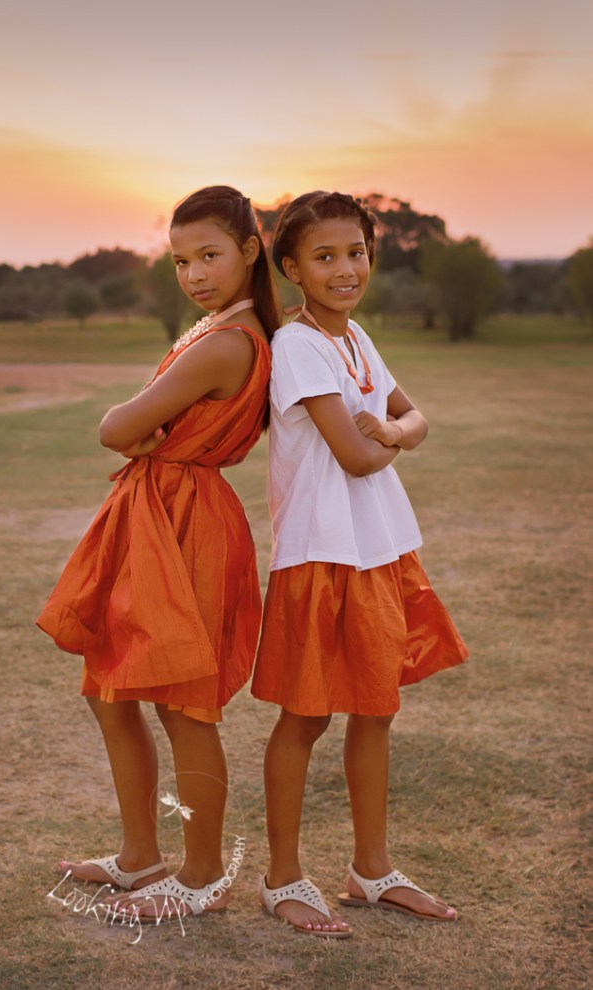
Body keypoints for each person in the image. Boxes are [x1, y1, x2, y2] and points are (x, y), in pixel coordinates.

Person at [37, 185, 277, 920]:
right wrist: (143, 433)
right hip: (153, 514)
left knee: (185, 707)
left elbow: (116, 427)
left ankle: (203, 877)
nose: (195, 273)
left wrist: (136, 428)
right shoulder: (210, 331)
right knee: (109, 691)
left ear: (249, 250)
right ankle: (141, 857)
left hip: (189, 523)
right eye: (179, 260)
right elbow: (136, 430)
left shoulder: (232, 342)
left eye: (209, 255)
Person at [251, 191, 468, 938]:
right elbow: (354, 453)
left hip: (379, 549)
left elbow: (417, 415)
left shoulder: (356, 337)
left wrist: (398, 431)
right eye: (325, 257)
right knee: (306, 715)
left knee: (376, 709)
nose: (346, 270)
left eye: (357, 253)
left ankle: (370, 872)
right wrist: (395, 439)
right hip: (320, 552)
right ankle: (282, 878)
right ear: (291, 268)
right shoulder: (298, 345)